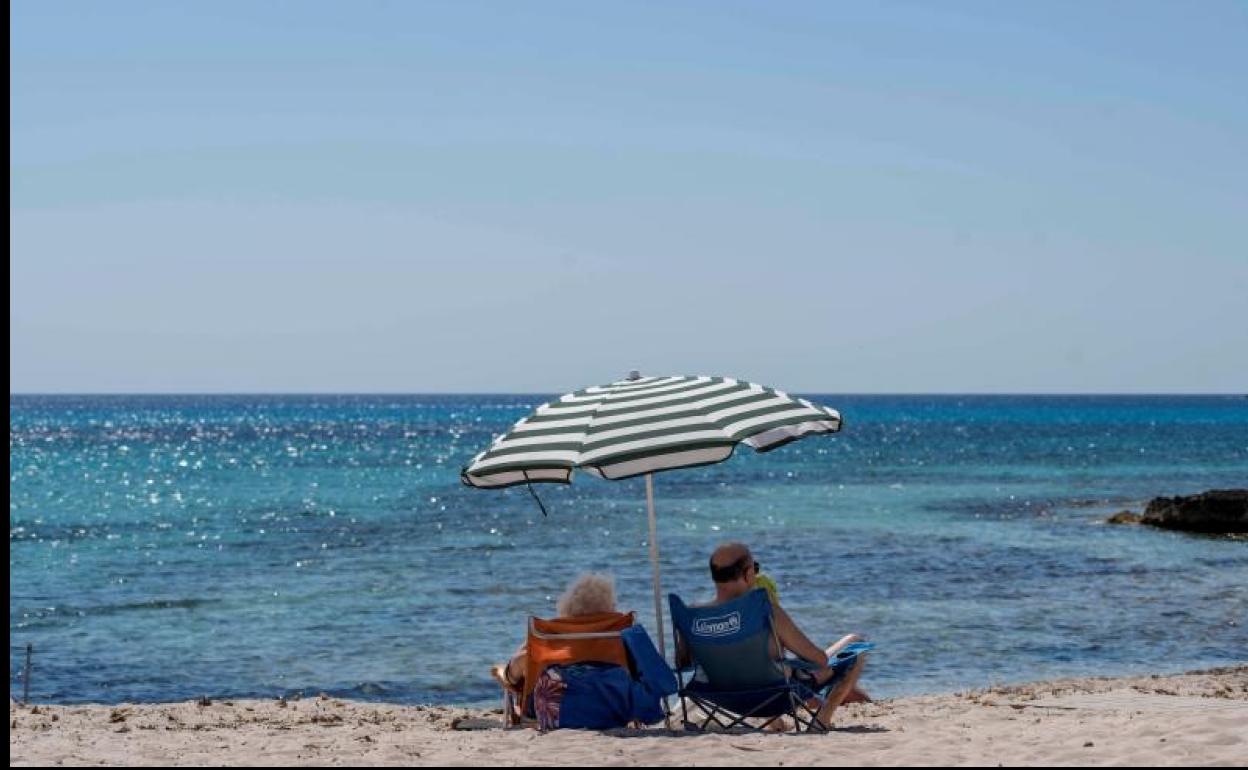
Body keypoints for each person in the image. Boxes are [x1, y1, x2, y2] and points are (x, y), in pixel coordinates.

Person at [699, 542, 869, 726]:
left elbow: (682, 663)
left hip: (723, 696)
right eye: (754, 568)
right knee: (856, 644)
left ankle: (775, 722)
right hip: (774, 694)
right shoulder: (769, 612)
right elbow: (817, 658)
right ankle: (823, 719)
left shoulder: (696, 616)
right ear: (749, 574)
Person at [490, 573, 618, 700]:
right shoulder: (619, 639)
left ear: (569, 606)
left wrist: (507, 675)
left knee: (518, 670)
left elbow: (520, 664)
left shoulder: (551, 638)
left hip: (554, 711)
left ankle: (503, 672)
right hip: (610, 707)